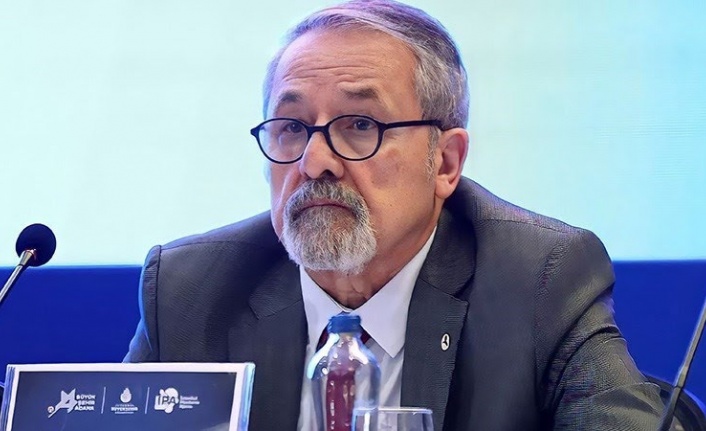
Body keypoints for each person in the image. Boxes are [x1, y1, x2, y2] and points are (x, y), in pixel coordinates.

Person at [125, 1, 664, 429]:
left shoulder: (538, 281)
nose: (314, 162)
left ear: (445, 163)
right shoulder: (188, 292)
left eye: (360, 125)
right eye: (291, 128)